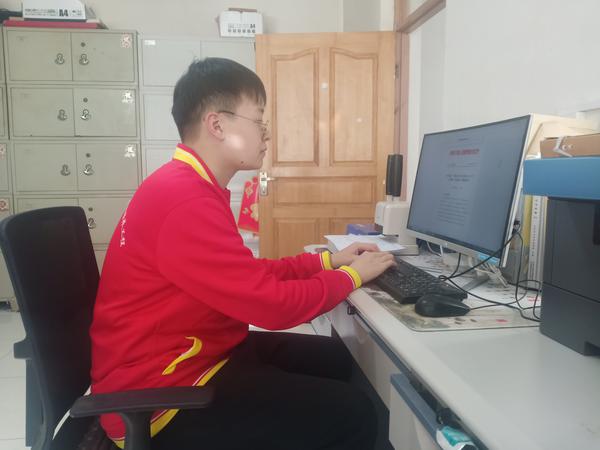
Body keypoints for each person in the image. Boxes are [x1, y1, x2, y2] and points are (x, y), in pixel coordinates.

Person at [90, 57, 396, 450]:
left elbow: (245, 274)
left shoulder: (191, 186)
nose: (266, 135)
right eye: (259, 120)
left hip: (198, 355)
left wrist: (326, 261)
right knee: (355, 413)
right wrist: (351, 277)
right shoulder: (185, 200)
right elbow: (271, 307)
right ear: (217, 125)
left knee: (337, 359)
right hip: (161, 394)